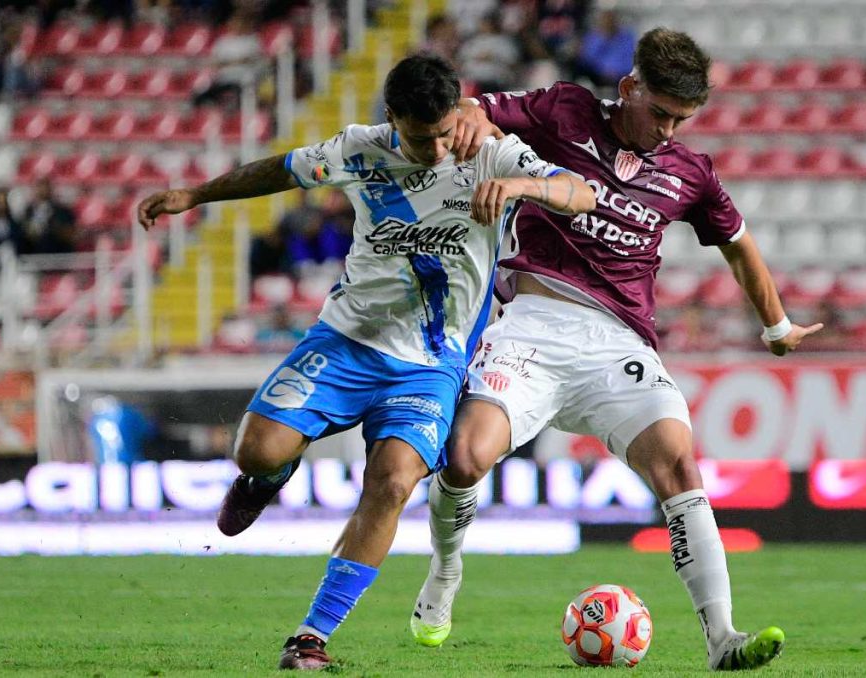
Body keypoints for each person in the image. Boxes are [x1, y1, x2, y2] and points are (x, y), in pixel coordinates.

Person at [136, 53, 594, 670]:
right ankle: (266, 479)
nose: (435, 150)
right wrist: (195, 194)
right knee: (257, 450)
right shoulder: (360, 150)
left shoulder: (492, 153)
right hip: (344, 341)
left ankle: (312, 635)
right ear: (391, 118)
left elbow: (581, 194)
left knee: (394, 481)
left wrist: (522, 186)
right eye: (418, 136)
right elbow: (284, 170)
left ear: (457, 111)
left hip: (430, 363)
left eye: (442, 134)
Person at [407, 28, 822, 671]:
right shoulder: (565, 111)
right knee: (463, 460)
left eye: (682, 120)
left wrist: (777, 327)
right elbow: (478, 108)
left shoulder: (690, 173)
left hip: (618, 344)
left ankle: (722, 639)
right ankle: (444, 572)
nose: (667, 131)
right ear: (629, 88)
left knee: (679, 468)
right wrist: (466, 120)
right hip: (533, 324)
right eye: (659, 112)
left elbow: (739, 245)